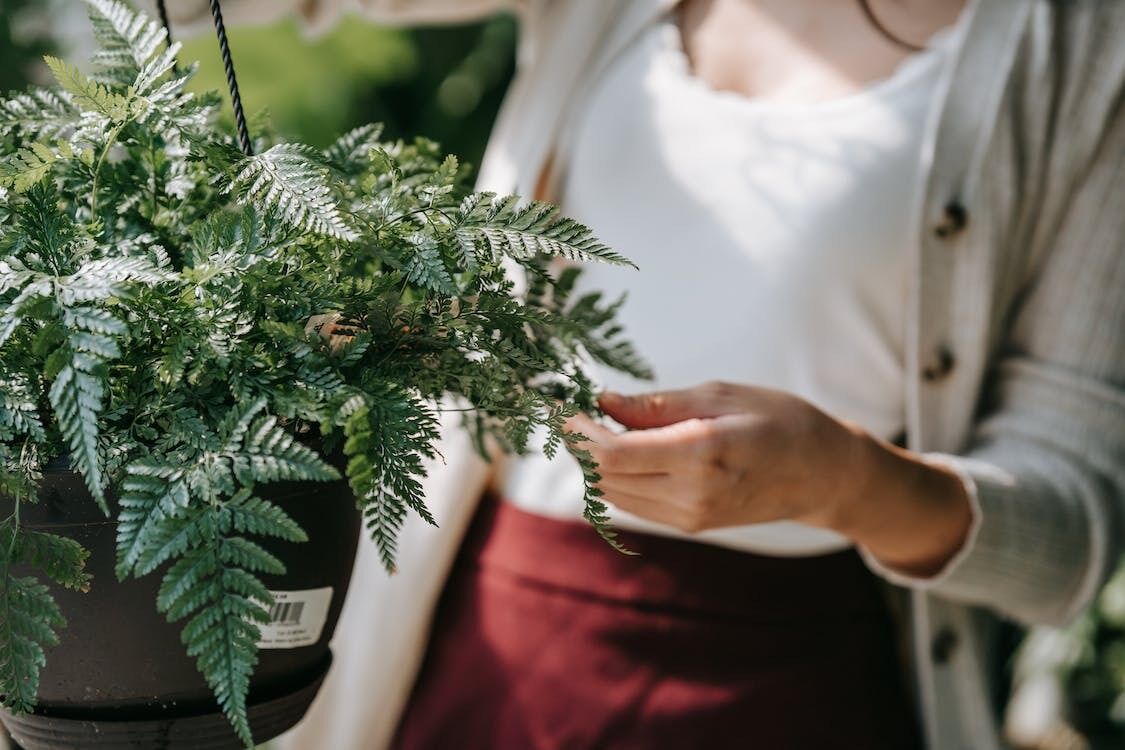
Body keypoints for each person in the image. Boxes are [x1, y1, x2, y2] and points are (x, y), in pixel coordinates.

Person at [162, 1, 1125, 748]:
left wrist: (843, 479)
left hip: (788, 670)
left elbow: (1069, 540)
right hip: (495, 628)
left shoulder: (1082, 47)